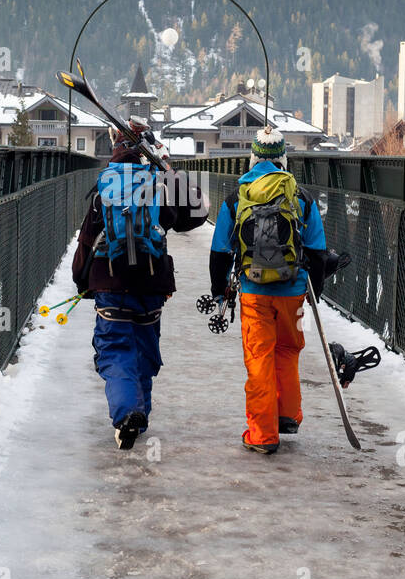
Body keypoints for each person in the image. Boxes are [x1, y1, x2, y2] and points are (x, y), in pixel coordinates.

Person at [72, 118, 206, 449]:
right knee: (144, 352)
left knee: (116, 352)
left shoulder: (104, 188)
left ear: (114, 149)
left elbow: (86, 241)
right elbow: (198, 213)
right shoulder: (158, 184)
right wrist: (168, 169)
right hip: (151, 286)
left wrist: (82, 281)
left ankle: (127, 413)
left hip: (110, 284)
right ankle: (139, 416)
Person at [209, 127, 327, 454]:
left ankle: (262, 434)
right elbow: (317, 252)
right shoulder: (302, 197)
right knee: (288, 350)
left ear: (253, 159)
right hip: (293, 291)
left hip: (253, 290)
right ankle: (287, 415)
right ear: (283, 160)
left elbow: (220, 252)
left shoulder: (236, 198)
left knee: (259, 357)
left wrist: (220, 292)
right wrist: (311, 291)